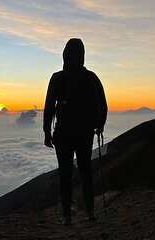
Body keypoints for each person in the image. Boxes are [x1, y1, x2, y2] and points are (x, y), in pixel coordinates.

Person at [43, 38, 108, 225]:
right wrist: (100, 125)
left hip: (63, 133)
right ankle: (90, 212)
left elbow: (49, 107)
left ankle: (67, 216)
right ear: (83, 55)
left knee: (65, 174)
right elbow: (103, 104)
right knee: (86, 171)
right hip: (86, 133)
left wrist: (47, 132)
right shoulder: (92, 77)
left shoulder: (58, 78)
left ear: (64, 55)